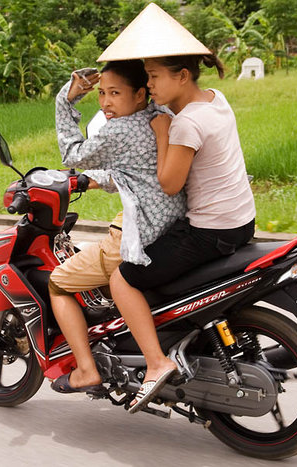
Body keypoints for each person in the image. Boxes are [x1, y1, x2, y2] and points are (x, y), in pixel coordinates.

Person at [109, 53, 256, 413]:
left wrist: (162, 133)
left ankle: (157, 362)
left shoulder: (186, 123)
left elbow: (170, 184)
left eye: (155, 76)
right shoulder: (216, 99)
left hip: (209, 231)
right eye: (146, 76)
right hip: (242, 222)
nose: (149, 84)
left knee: (123, 280)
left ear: (183, 75)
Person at [49, 60, 186, 394]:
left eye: (115, 93)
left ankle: (85, 370)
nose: (105, 102)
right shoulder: (160, 115)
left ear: (140, 93)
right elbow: (136, 170)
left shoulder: (119, 130)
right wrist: (95, 181)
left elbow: (72, 155)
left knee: (58, 282)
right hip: (173, 228)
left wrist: (65, 100)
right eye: (101, 93)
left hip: (137, 234)